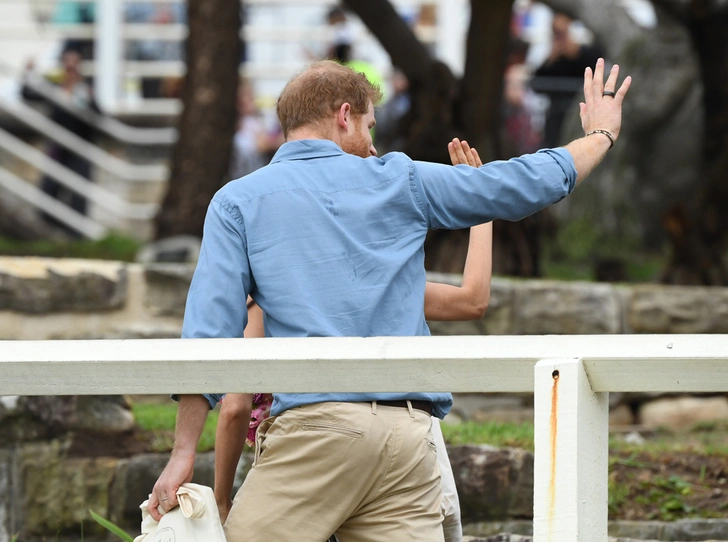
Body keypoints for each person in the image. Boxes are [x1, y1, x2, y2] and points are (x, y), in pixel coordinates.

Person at [148, 59, 630, 542]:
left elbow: (209, 333)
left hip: (317, 434)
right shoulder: (400, 180)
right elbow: (521, 183)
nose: (373, 143)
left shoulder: (237, 201)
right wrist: (600, 136)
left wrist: (183, 451)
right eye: (368, 125)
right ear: (344, 115)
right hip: (408, 439)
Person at [214, 140, 491, 542]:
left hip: (314, 454)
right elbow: (473, 299)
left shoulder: (275, 286)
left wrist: (221, 500)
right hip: (409, 438)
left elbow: (235, 405)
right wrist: (480, 200)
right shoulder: (385, 282)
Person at [22, 46, 98, 230]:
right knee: (49, 188)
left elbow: (98, 116)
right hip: (57, 146)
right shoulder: (54, 87)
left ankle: (76, 235)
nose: (71, 67)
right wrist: (28, 74)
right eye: (67, 63)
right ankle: (46, 230)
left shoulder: (86, 89)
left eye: (74, 63)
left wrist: (90, 100)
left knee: (79, 193)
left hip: (80, 148)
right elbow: (28, 95)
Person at [532, 12, 603, 147]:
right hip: (556, 113)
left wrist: (577, 54)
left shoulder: (586, 51)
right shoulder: (552, 56)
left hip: (581, 111)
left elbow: (595, 69)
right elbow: (537, 82)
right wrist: (550, 60)